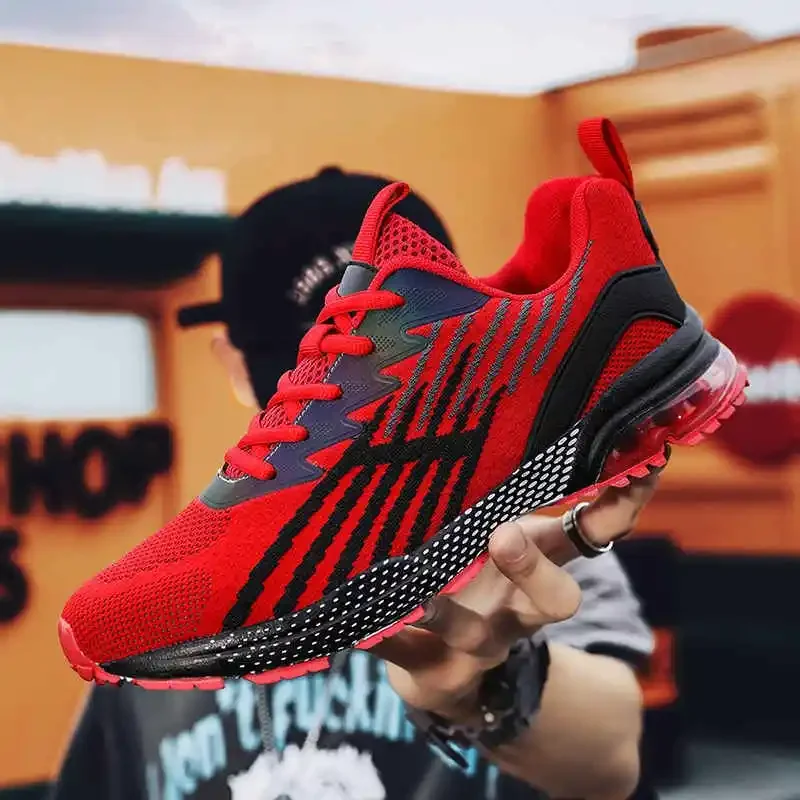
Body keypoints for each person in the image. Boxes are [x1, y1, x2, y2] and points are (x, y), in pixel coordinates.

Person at [52, 167, 659, 800]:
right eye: (323, 378)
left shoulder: (528, 538)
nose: (359, 420)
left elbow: (611, 761)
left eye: (390, 365)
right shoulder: (162, 603)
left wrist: (494, 683)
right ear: (236, 368)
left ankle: (639, 329)